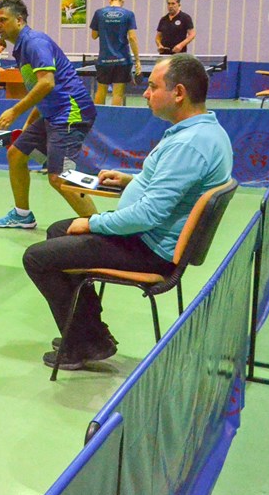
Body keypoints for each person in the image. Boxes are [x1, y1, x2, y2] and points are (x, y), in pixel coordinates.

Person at [22, 55, 232, 371]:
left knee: (36, 258)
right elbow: (173, 189)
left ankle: (83, 344)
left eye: (153, 87)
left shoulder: (189, 144)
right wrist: (130, 181)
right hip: (151, 238)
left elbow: (146, 215)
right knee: (57, 231)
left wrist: (92, 222)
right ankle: (88, 334)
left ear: (178, 93)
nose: (145, 93)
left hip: (150, 249)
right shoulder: (204, 131)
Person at [0, 0, 98, 230]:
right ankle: (22, 215)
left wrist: (15, 111)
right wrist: (29, 124)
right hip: (53, 114)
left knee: (60, 178)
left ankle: (103, 228)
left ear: (19, 20)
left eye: (3, 20)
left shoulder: (34, 42)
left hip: (71, 113)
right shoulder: (21, 47)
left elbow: (47, 83)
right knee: (16, 154)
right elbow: (42, 91)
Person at [88, 0, 141, 106]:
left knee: (101, 91)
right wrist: (137, 60)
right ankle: (115, 118)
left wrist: (105, 29)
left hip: (104, 60)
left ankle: (99, 116)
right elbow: (132, 38)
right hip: (122, 60)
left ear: (110, 0)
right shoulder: (128, 14)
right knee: (118, 94)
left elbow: (94, 36)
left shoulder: (99, 13)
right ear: (122, 1)